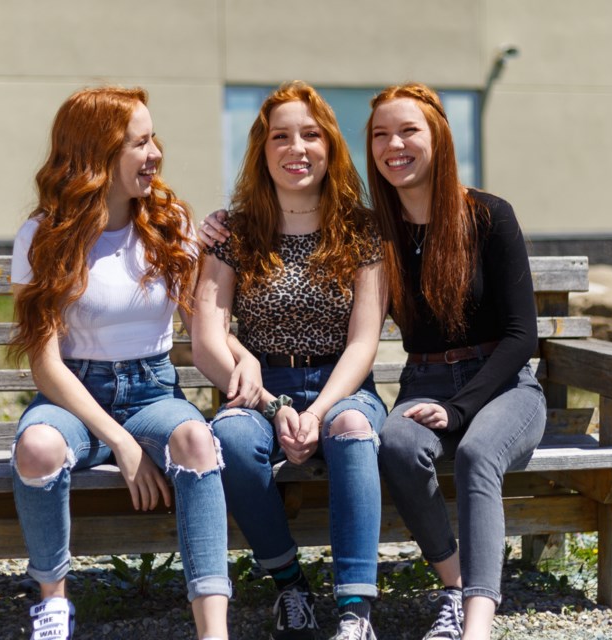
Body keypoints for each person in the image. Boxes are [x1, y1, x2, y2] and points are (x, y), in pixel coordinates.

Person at [8, 86, 238, 640]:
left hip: (154, 391)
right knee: (37, 446)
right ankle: (52, 605)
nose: (155, 152)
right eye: (139, 142)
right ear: (97, 154)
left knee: (197, 441)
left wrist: (241, 358)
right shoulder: (41, 237)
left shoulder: (169, 224)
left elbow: (201, 322)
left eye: (153, 137)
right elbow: (45, 367)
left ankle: (214, 629)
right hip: (75, 396)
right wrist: (122, 443)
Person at [192, 80, 389, 640]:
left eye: (310, 135)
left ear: (330, 147)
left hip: (342, 380)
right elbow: (208, 335)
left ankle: (356, 612)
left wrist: (321, 409)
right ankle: (289, 584)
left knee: (352, 426)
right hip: (258, 386)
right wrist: (271, 401)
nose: (295, 148)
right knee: (227, 437)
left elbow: (365, 339)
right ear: (262, 149)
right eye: (280, 136)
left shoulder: (361, 229)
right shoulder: (234, 231)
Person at [364, 83, 547, 640]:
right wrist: (222, 226)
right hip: (425, 379)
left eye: (408, 130)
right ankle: (456, 580)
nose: (394, 144)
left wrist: (461, 409)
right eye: (379, 134)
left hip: (504, 386)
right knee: (396, 443)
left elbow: (523, 336)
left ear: (438, 137)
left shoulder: (489, 215)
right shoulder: (375, 231)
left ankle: (477, 624)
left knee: (476, 452)